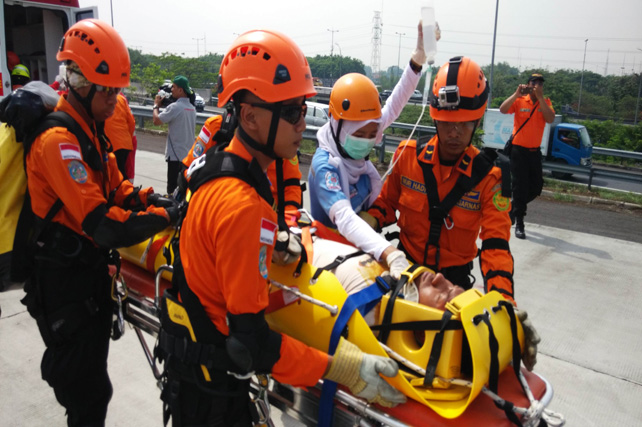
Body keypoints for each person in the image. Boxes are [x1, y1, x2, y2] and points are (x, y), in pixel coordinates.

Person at [165, 29, 405, 426]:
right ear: (250, 117)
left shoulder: (217, 172)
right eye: (292, 111)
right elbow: (250, 343)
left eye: (305, 108)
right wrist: (343, 367)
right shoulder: (244, 205)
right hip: (212, 391)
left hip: (194, 370)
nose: (303, 123)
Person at [22, 19, 177, 426]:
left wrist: (152, 198)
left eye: (118, 91)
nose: (115, 100)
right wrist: (164, 217)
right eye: (108, 91)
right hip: (63, 286)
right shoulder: (58, 142)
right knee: (87, 397)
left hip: (86, 279)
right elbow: (104, 224)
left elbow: (116, 186)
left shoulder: (89, 131)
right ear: (78, 82)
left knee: (94, 389)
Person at [362, 56, 540, 371]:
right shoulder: (408, 157)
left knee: (455, 369)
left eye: (465, 123)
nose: (455, 132)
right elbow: (386, 205)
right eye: (447, 122)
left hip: (453, 290)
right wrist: (368, 222)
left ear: (477, 121)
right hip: (404, 279)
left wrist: (503, 303)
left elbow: (496, 246)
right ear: (434, 118)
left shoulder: (490, 178)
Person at [308, 21, 428, 281]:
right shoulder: (325, 166)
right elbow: (345, 218)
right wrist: (389, 253)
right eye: (359, 134)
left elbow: (396, 102)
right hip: (331, 262)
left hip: (363, 252)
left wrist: (417, 60)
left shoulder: (367, 130)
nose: (366, 141)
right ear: (336, 124)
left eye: (371, 133)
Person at [499, 73, 555, 239]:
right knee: (520, 186)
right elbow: (503, 109)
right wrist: (516, 94)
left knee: (536, 187)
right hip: (519, 151)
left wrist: (540, 98)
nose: (538, 85)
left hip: (534, 152)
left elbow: (550, 118)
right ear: (528, 84)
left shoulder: (546, 102)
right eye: (535, 82)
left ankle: (514, 207)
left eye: (540, 83)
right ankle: (519, 223)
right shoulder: (520, 100)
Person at [152, 75, 196, 194]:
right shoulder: (192, 108)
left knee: (172, 189)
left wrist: (156, 105)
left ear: (180, 90)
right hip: (187, 157)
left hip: (175, 157)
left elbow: (156, 121)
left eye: (174, 87)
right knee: (183, 189)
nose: (171, 89)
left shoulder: (175, 107)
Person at [105, 92, 136, 180]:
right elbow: (131, 122)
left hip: (112, 144)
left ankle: (124, 191)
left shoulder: (100, 99)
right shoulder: (121, 98)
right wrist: (127, 138)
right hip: (125, 142)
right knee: (121, 171)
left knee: (117, 174)